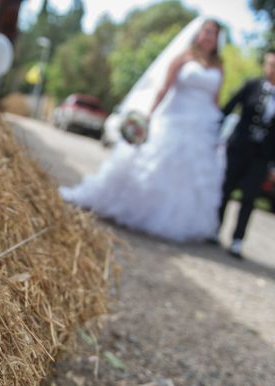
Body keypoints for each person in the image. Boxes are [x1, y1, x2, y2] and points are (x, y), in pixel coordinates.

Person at [60, 17, 225, 243]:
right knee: (155, 165)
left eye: (213, 33)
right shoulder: (183, 58)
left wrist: (216, 130)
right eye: (206, 31)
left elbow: (215, 101)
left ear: (217, 39)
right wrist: (148, 115)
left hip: (200, 126)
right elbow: (164, 89)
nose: (209, 36)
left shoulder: (219, 66)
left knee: (187, 177)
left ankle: (175, 222)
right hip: (174, 118)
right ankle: (131, 208)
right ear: (198, 34)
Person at [216, 49, 275, 259]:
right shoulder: (252, 86)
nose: (272, 69)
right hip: (239, 148)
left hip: (262, 156)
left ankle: (238, 240)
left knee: (249, 197)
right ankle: (215, 228)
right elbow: (228, 108)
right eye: (270, 64)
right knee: (226, 188)